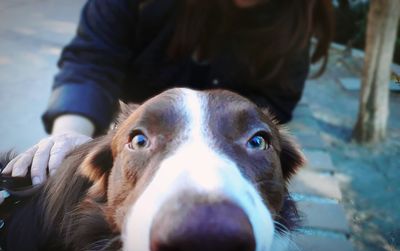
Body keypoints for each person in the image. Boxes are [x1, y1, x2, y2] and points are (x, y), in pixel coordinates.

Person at [2, 0, 334, 186]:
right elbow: (91, 61)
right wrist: (70, 138)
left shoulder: (295, 27)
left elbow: (274, 106)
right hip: (138, 138)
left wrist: (234, 152)